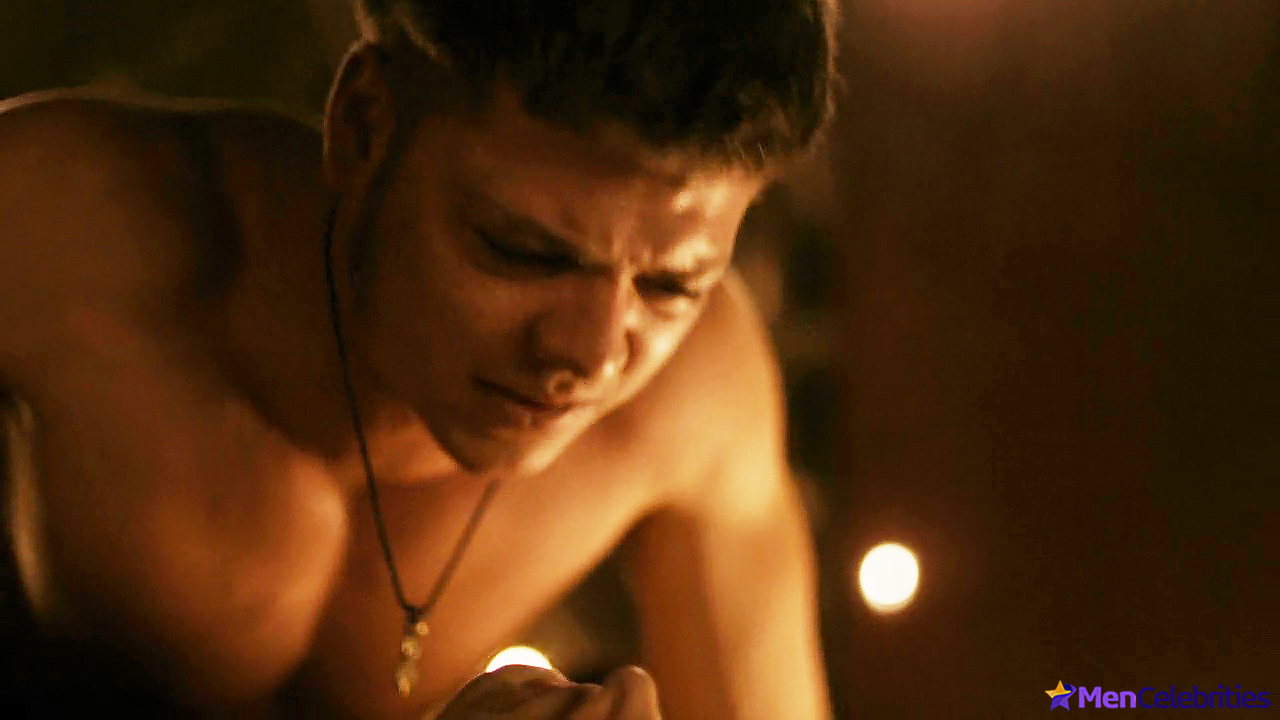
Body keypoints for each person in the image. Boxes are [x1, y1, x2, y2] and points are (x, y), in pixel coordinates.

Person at [0, 0, 838, 717]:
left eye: (671, 285)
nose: (589, 355)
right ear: (365, 125)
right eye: (522, 251)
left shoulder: (696, 401)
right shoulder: (44, 233)